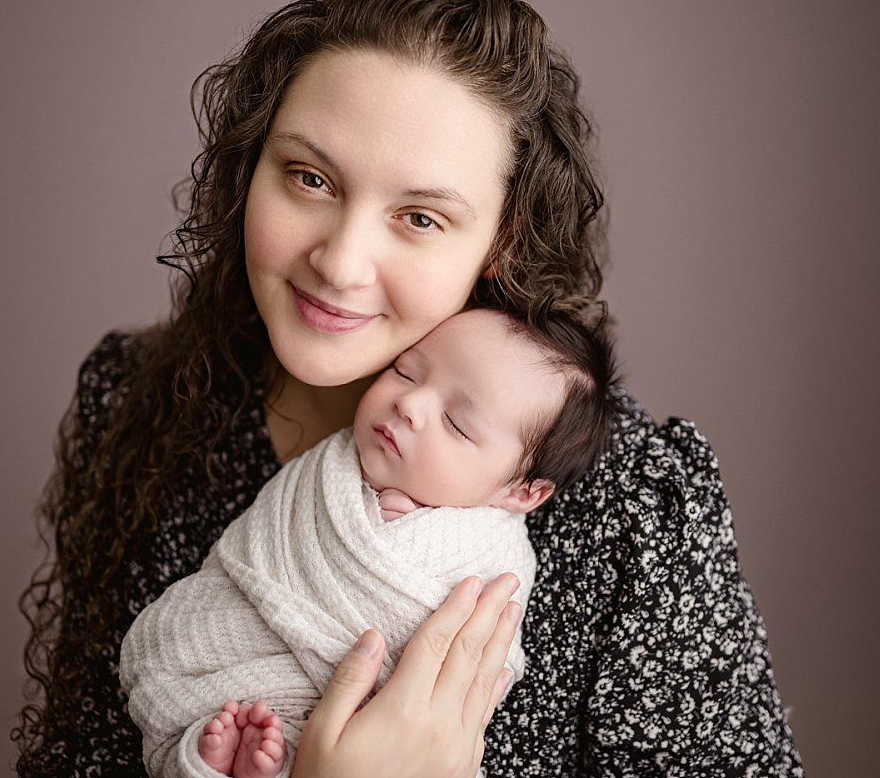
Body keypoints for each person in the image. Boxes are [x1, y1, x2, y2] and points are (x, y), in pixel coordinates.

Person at [17, 0, 801, 776]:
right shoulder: (140, 400)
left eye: (420, 218)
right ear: (251, 172)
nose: (342, 263)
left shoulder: (631, 502)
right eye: (309, 178)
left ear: (502, 244)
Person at [121, 308, 614, 778]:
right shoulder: (329, 469)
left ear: (521, 492)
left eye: (457, 424)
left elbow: (477, 670)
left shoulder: (490, 554)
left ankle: (269, 758)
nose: (411, 404)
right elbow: (255, 550)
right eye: (406, 372)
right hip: (234, 663)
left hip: (372, 733)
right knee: (234, 719)